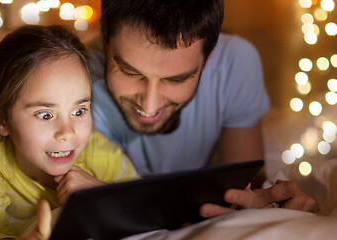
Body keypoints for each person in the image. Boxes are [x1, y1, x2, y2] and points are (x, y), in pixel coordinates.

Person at [90, 0, 316, 215]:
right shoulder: (75, 77)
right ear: (103, 36)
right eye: (130, 72)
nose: (149, 105)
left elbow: (247, 186)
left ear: (208, 59)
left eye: (176, 80)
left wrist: (264, 200)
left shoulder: (234, 62)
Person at [0, 25, 138, 240]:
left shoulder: (99, 152)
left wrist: (100, 196)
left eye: (79, 111)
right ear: (1, 120)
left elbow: (144, 207)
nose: (67, 133)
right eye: (45, 115)